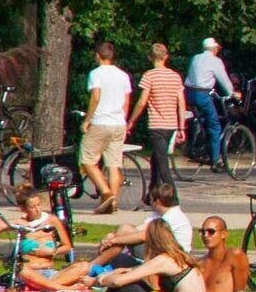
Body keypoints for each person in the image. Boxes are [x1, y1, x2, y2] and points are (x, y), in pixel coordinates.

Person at [79, 40, 132, 212]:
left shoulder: (96, 74)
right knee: (113, 164)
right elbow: (126, 101)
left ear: (97, 56)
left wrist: (87, 119)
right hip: (118, 123)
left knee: (87, 160)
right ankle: (113, 204)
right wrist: (123, 118)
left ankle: (106, 193)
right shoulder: (123, 75)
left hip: (101, 121)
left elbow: (95, 97)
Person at [135, 44, 187, 186]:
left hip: (156, 124)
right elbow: (181, 103)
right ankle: (152, 191)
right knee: (156, 158)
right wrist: (181, 127)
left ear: (150, 57)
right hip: (171, 125)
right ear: (166, 57)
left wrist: (132, 120)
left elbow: (142, 102)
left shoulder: (149, 75)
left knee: (162, 163)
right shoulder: (175, 76)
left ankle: (173, 199)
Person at [186, 37, 235, 169]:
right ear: (214, 48)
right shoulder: (215, 61)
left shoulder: (195, 58)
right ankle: (215, 159)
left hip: (189, 93)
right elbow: (223, 80)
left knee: (202, 119)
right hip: (202, 94)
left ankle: (197, 141)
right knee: (215, 126)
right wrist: (232, 93)